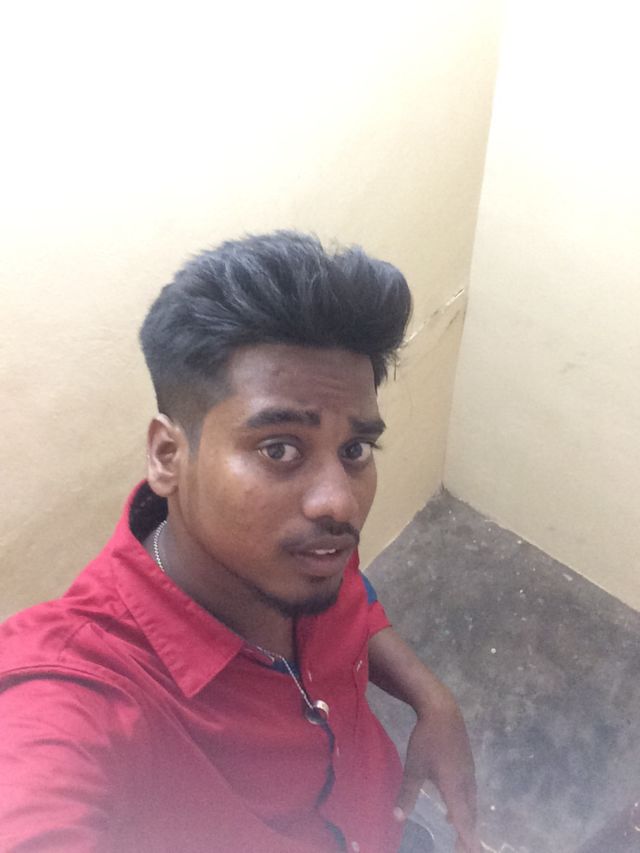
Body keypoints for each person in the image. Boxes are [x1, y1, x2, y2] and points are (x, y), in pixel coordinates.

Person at [0, 232, 479, 853]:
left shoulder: (301, 546)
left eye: (355, 449)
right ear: (167, 455)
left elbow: (352, 597)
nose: (339, 502)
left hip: (381, 815)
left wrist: (431, 700)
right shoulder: (74, 692)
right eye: (278, 448)